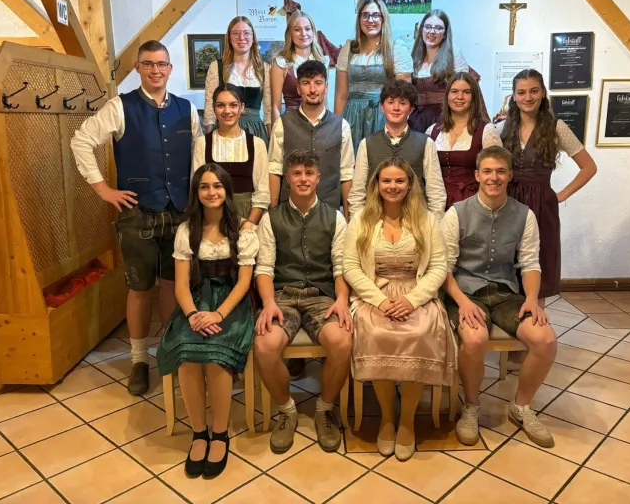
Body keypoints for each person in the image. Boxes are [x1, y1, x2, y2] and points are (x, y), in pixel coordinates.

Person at [71, 39, 199, 396]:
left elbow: (197, 157)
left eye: (162, 64)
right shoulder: (120, 107)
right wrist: (103, 190)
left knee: (175, 286)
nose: (156, 70)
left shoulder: (187, 110)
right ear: (139, 68)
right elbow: (81, 141)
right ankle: (140, 360)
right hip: (137, 213)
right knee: (140, 290)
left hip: (179, 213)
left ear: (171, 68)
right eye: (148, 64)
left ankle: (170, 351)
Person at [442, 146, 557, 449]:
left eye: (501, 171)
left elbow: (530, 263)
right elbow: (443, 267)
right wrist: (463, 302)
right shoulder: (457, 213)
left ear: (510, 175)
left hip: (507, 292)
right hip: (465, 292)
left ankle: (521, 406)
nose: (494, 178)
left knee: (545, 339)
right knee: (475, 339)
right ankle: (470, 406)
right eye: (488, 172)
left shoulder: (524, 214)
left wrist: (532, 297)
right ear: (477, 175)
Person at [343, 157, 456, 461]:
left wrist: (411, 300)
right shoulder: (361, 219)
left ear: (409, 185)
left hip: (415, 294)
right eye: (386, 181)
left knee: (419, 330)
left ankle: (406, 419)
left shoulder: (426, 220)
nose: (392, 187)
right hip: (374, 295)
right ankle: (387, 418)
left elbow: (438, 267)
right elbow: (350, 267)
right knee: (377, 331)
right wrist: (380, 301)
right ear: (376, 185)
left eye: (399, 181)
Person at [156, 164, 257, 479]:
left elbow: (243, 283)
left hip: (231, 303)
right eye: (204, 186)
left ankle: (220, 433)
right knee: (187, 355)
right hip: (196, 302)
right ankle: (198, 433)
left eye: (217, 186)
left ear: (227, 191)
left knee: (215, 356)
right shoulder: (187, 230)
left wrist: (218, 314)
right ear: (196, 192)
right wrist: (193, 315)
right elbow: (181, 285)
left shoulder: (243, 230)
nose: (211, 192)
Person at [254, 149, 353, 455]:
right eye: (296, 173)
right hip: (283, 295)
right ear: (287, 179)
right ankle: (287, 410)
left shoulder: (335, 218)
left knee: (342, 342)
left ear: (318, 178)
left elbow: (341, 267)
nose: (303, 179)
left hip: (321, 295)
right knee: (265, 345)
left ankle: (324, 409)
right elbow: (265, 269)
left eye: (309, 173)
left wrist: (341, 300)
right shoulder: (270, 219)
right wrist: (268, 302)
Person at [499, 69, 597, 304]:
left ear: (543, 92)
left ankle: (536, 320)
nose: (528, 97)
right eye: (521, 92)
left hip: (541, 205)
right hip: (509, 202)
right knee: (507, 260)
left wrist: (561, 195)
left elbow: (589, 167)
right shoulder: (503, 128)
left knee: (538, 262)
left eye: (534, 91)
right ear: (514, 97)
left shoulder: (557, 127)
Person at [348, 79, 446, 220]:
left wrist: (433, 227)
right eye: (391, 102)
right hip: (375, 224)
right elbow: (357, 193)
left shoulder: (426, 143)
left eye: (402, 103)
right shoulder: (366, 144)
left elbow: (436, 192)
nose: (396, 108)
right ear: (382, 107)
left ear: (411, 109)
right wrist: (358, 225)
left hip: (415, 223)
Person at [268, 60, 354, 216]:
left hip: (329, 214)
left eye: (318, 83)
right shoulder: (282, 123)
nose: (313, 89)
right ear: (298, 89)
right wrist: (273, 214)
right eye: (306, 83)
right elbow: (274, 170)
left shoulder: (342, 126)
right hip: (289, 213)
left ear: (326, 88)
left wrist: (348, 218)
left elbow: (347, 174)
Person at [334, 0, 412, 152]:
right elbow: (341, 96)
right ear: (359, 19)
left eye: (375, 15)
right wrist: (338, 128)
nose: (370, 19)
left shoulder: (396, 48)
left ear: (383, 19)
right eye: (365, 15)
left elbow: (404, 98)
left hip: (383, 117)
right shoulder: (349, 48)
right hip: (352, 116)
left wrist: (397, 127)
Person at [193, 83, 269, 224]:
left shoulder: (257, 144)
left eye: (233, 105)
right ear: (214, 109)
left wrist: (249, 224)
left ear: (242, 108)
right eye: (221, 105)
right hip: (212, 218)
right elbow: (198, 187)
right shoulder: (202, 143)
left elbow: (262, 192)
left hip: (248, 217)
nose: (227, 111)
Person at [427, 72, 502, 208]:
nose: (459, 97)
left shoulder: (486, 131)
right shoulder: (432, 131)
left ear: (473, 97)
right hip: (437, 203)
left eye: (466, 92)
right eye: (454, 91)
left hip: (473, 202)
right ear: (447, 96)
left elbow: (495, 174)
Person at [204, 17, 271, 145]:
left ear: (253, 37)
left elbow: (268, 110)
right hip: (225, 130)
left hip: (255, 132)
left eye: (246, 33)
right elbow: (209, 109)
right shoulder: (216, 67)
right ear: (229, 37)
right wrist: (208, 140)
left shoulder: (264, 68)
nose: (241, 37)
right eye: (236, 33)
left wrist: (271, 139)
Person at [408, 10, 470, 134]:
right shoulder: (412, 55)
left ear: (445, 33)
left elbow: (465, 91)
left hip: (444, 119)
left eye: (438, 28)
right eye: (428, 27)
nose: (432, 32)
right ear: (421, 30)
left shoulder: (454, 55)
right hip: (416, 121)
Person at [270, 10, 330, 119]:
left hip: (317, 123)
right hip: (291, 123)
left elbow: (325, 102)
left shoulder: (323, 61)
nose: (303, 34)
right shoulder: (281, 63)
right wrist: (276, 134)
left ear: (313, 32)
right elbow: (275, 106)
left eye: (307, 29)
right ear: (290, 34)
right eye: (297, 30)